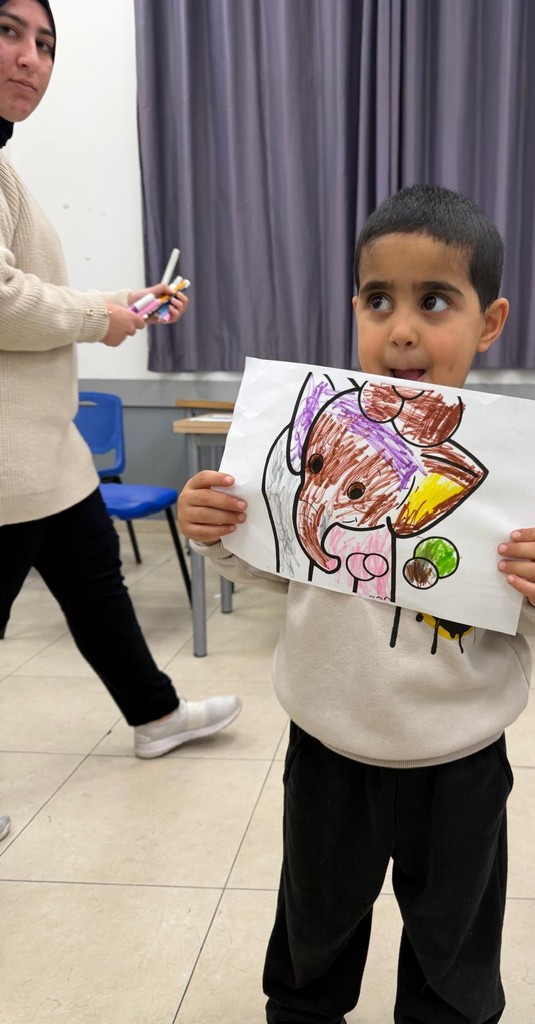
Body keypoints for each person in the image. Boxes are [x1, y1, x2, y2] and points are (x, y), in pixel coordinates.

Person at [178, 184, 535, 1023]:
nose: (401, 329)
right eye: (377, 300)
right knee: (313, 934)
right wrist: (218, 531)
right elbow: (275, 568)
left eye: (434, 301)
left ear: (490, 322)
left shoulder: (518, 476)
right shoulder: (322, 432)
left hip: (461, 762)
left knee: (453, 955)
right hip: (332, 749)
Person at [0, 0, 242, 840]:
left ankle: (156, 715)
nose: (31, 58)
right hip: (7, 464)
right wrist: (100, 315)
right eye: (9, 32)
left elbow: (29, 291)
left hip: (45, 451)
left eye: (45, 43)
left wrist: (119, 305)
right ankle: (156, 713)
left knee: (97, 585)